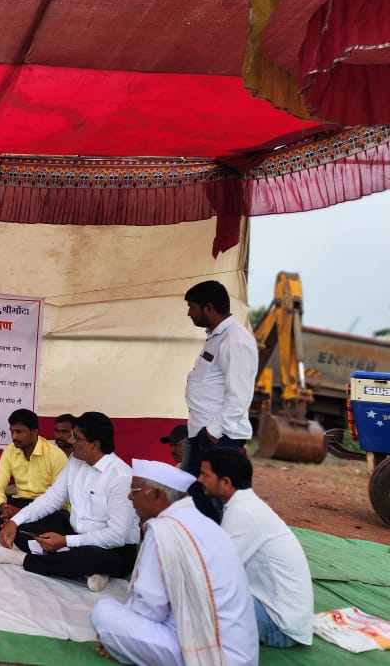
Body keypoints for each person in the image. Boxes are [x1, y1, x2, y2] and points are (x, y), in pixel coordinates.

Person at [90, 459, 258, 666]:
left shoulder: (165, 531)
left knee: (104, 612)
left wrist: (116, 637)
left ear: (155, 495)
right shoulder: (204, 522)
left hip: (210, 654)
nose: (129, 497)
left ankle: (121, 650)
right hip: (241, 653)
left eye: (134, 490)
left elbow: (150, 609)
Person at [0, 412, 139, 593]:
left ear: (95, 445)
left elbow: (116, 536)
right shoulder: (76, 462)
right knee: (25, 530)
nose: (70, 441)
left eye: (76, 437)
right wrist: (16, 521)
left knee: (86, 557)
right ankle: (93, 572)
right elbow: (52, 498)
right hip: (76, 535)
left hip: (114, 550)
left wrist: (66, 541)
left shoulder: (121, 477)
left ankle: (23, 560)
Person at [199, 449, 313, 648]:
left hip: (279, 626)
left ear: (226, 482)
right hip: (277, 612)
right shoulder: (244, 505)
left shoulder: (242, 513)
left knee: (197, 600)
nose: (199, 479)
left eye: (205, 475)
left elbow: (215, 572)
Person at [182, 280, 257, 521]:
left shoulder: (235, 340)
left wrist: (213, 431)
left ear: (209, 307)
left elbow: (240, 394)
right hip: (203, 431)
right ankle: (206, 547)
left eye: (192, 307)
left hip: (218, 436)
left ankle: (224, 549)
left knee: (218, 502)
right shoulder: (216, 336)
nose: (189, 313)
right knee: (196, 493)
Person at [0, 409, 67, 532]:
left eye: (19, 432)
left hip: (45, 507)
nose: (14, 437)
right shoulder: (10, 451)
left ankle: (9, 526)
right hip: (19, 502)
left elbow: (60, 498)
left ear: (34, 432)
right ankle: (18, 527)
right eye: (12, 431)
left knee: (60, 521)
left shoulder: (56, 456)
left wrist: (22, 513)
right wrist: (3, 506)